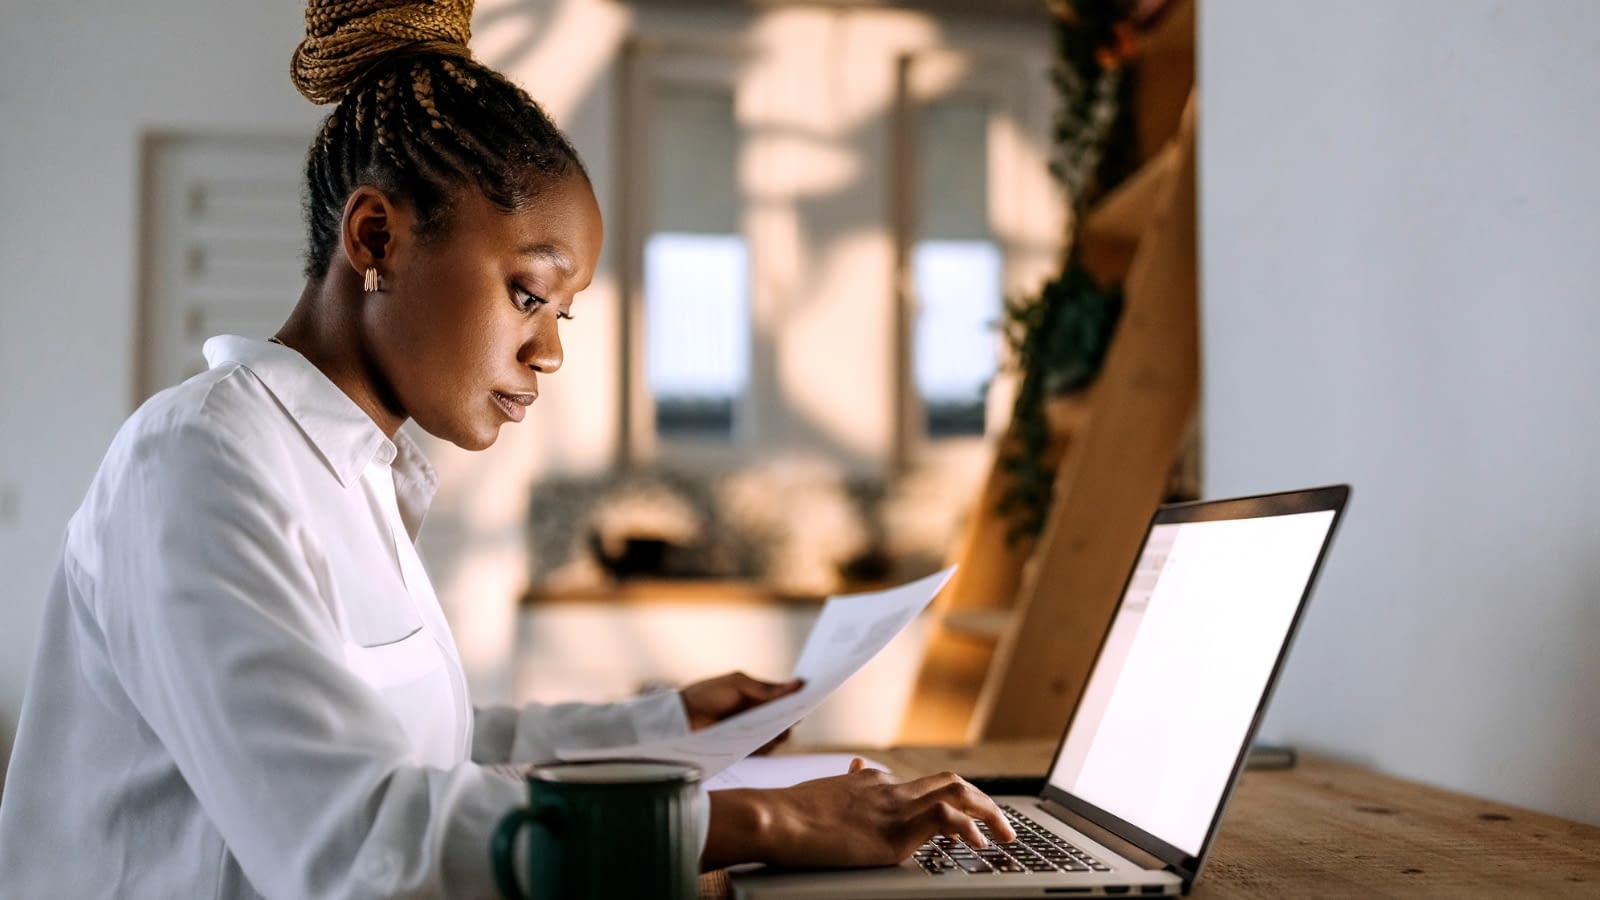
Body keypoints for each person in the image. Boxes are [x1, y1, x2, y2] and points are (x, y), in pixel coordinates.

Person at [0, 1, 1012, 897]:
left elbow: (429, 750)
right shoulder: (198, 463)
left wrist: (666, 729)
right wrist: (761, 821)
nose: (551, 349)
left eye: (563, 310)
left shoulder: (352, 470)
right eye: (529, 293)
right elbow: (355, 845)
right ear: (376, 240)